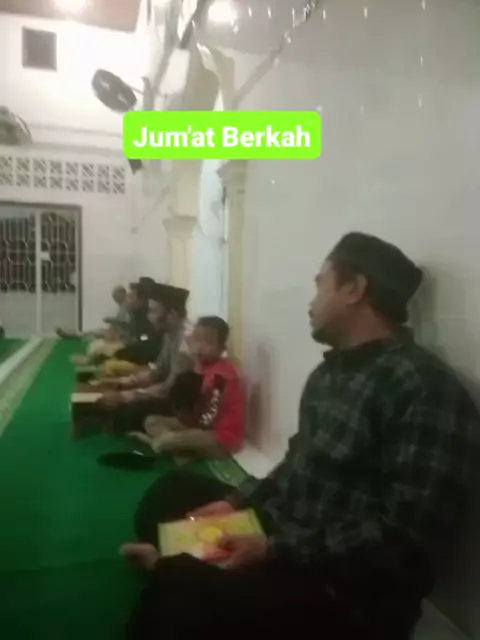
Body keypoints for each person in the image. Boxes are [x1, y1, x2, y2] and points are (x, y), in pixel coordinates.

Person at [120, 232, 478, 639]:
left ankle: (179, 572)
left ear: (354, 289)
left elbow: (407, 539)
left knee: (179, 591)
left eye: (321, 283)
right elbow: (295, 466)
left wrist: (272, 549)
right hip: (286, 532)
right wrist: (234, 503)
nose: (311, 301)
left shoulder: (424, 388)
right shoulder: (329, 373)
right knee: (170, 494)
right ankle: (183, 566)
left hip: (341, 592)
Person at [130, 316, 245, 459]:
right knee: (151, 422)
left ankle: (168, 445)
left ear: (222, 349)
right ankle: (178, 448)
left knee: (170, 439)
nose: (200, 347)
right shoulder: (202, 366)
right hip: (199, 427)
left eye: (208, 342)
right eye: (197, 340)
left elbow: (209, 420)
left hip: (219, 437)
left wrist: (184, 432)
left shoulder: (221, 376)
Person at [99, 283, 194, 433]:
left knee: (122, 415)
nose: (150, 316)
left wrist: (126, 396)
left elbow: (169, 389)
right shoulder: (169, 334)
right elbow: (157, 371)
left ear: (172, 314)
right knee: (112, 408)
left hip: (182, 406)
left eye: (154, 311)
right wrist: (121, 384)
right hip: (167, 392)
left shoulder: (186, 343)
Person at [56, 284, 128, 340]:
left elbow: (126, 324)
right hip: (116, 331)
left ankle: (72, 336)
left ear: (123, 294)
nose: (115, 299)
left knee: (95, 333)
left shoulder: (128, 306)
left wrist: (111, 320)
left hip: (121, 334)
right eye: (114, 297)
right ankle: (71, 334)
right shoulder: (122, 306)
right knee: (95, 332)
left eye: (116, 296)